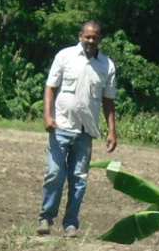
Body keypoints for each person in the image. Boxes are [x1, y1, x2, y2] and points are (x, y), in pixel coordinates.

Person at [40, 20, 118, 238]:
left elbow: (109, 101)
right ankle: (46, 218)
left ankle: (71, 224)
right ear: (80, 36)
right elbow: (50, 88)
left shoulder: (106, 66)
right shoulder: (64, 57)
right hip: (61, 126)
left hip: (86, 132)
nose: (91, 41)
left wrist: (112, 130)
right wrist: (48, 116)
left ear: (100, 39)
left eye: (95, 37)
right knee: (55, 174)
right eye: (88, 37)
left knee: (79, 179)